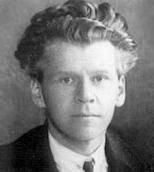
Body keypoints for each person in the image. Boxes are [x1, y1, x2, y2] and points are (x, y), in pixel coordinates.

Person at [0, 0, 151, 171]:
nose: (85, 96)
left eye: (99, 78)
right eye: (67, 80)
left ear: (120, 90)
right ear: (38, 92)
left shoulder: (144, 164)